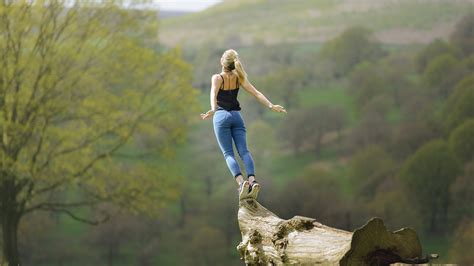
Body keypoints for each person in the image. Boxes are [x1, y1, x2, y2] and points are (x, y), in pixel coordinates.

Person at [200, 49, 286, 200]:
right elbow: (257, 93)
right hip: (236, 117)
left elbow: (213, 94)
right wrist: (271, 106)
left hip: (221, 116)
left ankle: (241, 183)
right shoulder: (239, 77)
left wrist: (213, 110)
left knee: (228, 153)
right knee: (244, 151)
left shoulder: (217, 77)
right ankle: (252, 181)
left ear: (222, 62)